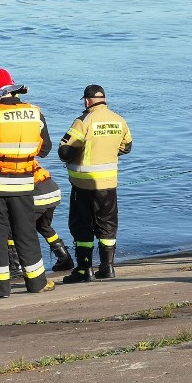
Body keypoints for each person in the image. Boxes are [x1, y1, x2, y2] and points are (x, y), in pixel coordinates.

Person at [0, 67, 56, 298]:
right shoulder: (35, 115)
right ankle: (37, 283)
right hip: (24, 184)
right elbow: (45, 150)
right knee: (25, 232)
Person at [58, 84, 132, 283]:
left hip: (84, 185)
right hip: (109, 183)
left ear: (86, 100)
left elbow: (65, 151)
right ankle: (107, 268)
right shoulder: (119, 120)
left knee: (82, 226)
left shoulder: (83, 121)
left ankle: (84, 270)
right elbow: (127, 147)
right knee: (107, 225)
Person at [7, 161, 75, 277]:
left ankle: (15, 267)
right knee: (44, 227)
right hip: (53, 191)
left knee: (12, 230)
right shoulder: (24, 158)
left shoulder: (4, 166)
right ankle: (65, 259)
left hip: (38, 196)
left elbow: (4, 190)